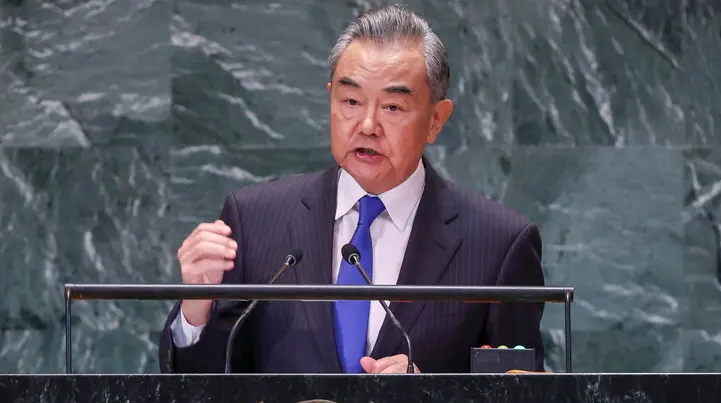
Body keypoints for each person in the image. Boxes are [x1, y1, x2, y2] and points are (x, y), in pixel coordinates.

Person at [160, 4, 545, 374]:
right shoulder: (255, 221)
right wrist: (197, 309)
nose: (367, 125)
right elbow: (204, 397)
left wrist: (432, 397)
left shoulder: (498, 245)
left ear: (436, 119)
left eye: (393, 107)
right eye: (350, 101)